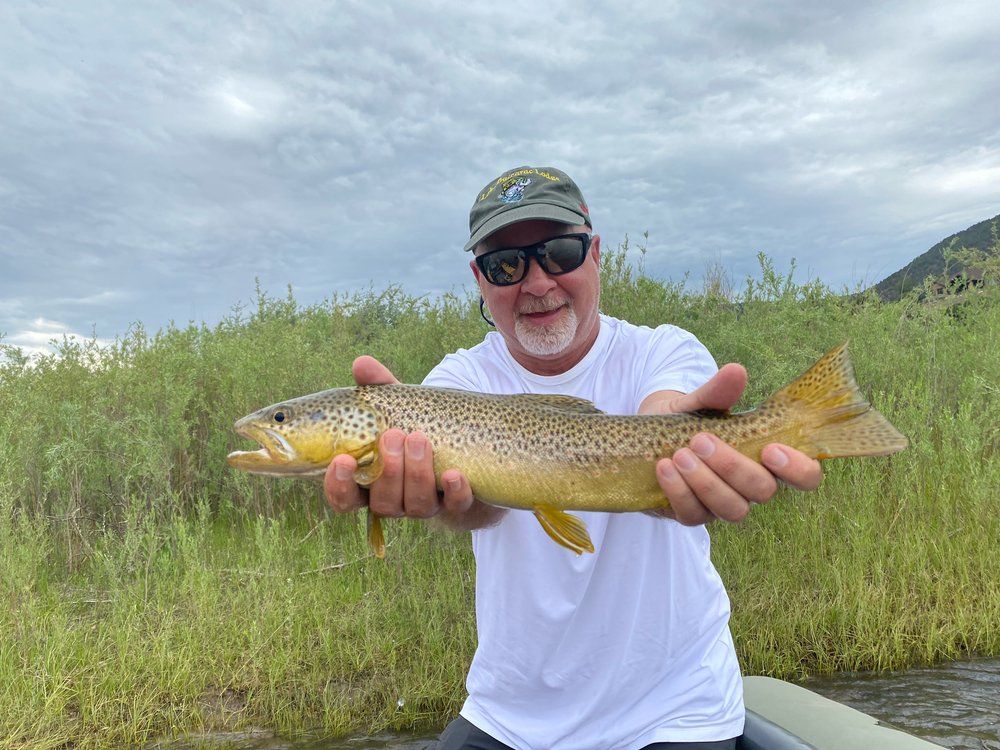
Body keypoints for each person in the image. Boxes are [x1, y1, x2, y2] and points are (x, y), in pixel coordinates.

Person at [324, 166, 823, 750]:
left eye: (559, 252)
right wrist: (445, 504)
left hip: (672, 709)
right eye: (505, 264)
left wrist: (680, 446)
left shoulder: (663, 350)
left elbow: (664, 409)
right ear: (479, 280)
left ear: (595, 254)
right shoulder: (455, 384)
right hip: (507, 713)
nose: (536, 283)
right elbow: (466, 506)